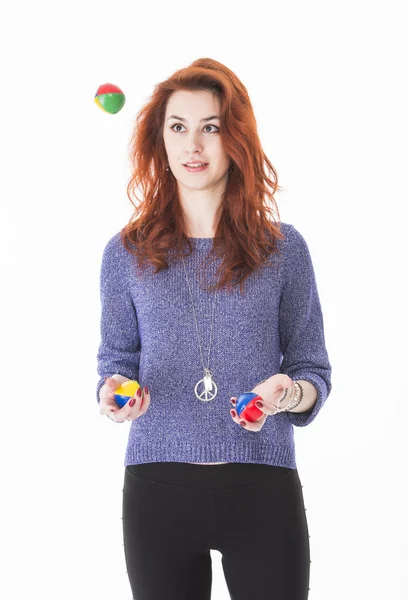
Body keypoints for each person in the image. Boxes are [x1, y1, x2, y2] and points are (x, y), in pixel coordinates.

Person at [96, 57, 332, 600]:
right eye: (178, 127)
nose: (193, 146)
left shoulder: (283, 250)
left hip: (262, 488)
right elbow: (115, 363)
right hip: (157, 492)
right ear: (160, 140)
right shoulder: (125, 254)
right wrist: (114, 394)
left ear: (236, 139)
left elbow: (312, 370)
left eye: (211, 127)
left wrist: (287, 394)